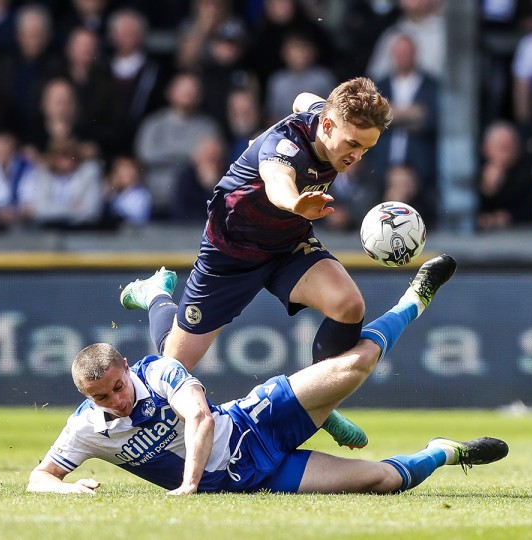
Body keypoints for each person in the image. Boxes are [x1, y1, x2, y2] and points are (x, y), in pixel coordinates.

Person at [29, 255, 509, 495]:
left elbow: (198, 417)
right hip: (257, 476)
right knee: (384, 481)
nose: (117, 400)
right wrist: (67, 489)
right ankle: (446, 451)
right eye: (103, 397)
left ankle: (413, 299)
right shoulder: (87, 430)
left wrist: (189, 484)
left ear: (127, 370)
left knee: (356, 362)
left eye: (118, 386)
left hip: (256, 420)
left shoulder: (155, 372)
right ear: (84, 397)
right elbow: (39, 479)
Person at [121, 77, 391, 449]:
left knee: (349, 306)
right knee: (171, 371)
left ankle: (319, 404)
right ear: (328, 127)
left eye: (367, 149)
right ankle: (155, 297)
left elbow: (303, 98)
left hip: (286, 244)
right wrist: (295, 203)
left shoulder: (322, 118)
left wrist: (311, 106)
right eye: (353, 144)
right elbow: (277, 179)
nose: (357, 157)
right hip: (230, 252)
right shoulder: (284, 148)